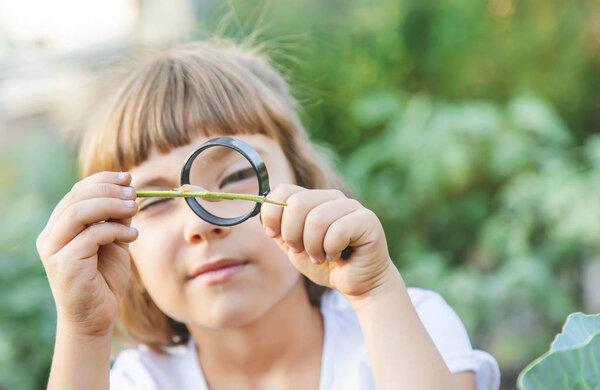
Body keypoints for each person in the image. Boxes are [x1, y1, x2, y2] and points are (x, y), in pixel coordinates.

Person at [36, 39, 500, 390]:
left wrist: (377, 293)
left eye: (237, 177)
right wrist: (84, 330)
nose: (201, 223)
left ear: (303, 180)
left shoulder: (401, 323)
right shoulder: (140, 381)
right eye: (154, 201)